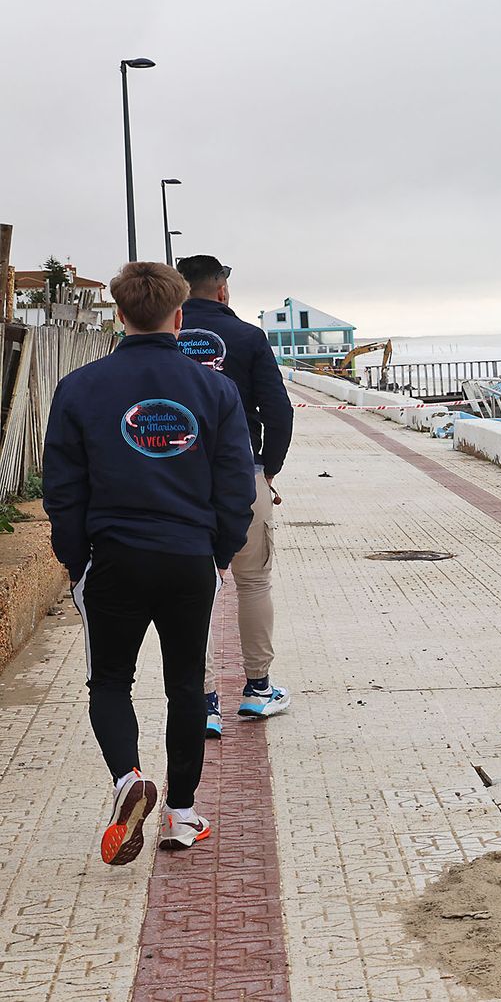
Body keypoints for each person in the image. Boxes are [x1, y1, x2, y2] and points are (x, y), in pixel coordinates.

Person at [43, 261, 256, 864]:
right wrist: (219, 550)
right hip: (189, 556)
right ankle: (182, 814)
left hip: (112, 557)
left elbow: (63, 487)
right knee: (186, 683)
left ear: (118, 313)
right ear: (179, 315)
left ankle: (127, 780)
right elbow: (234, 483)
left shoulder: (80, 387)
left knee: (110, 680)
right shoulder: (216, 389)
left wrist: (75, 559)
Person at [175, 255, 294, 736]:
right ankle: (258, 690)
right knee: (253, 582)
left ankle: (203, 701)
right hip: (241, 473)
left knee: (194, 589)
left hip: (179, 481)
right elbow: (279, 412)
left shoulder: (159, 343)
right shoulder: (249, 337)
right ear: (222, 290)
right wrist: (266, 469)